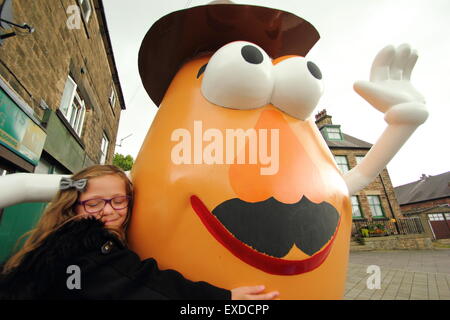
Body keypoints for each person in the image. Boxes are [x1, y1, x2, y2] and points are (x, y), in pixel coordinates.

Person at [0, 165, 279, 300]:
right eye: (94, 203)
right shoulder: (88, 249)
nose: (108, 210)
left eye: (118, 201)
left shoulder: (52, 244)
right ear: (73, 207)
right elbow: (145, 285)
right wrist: (225, 301)